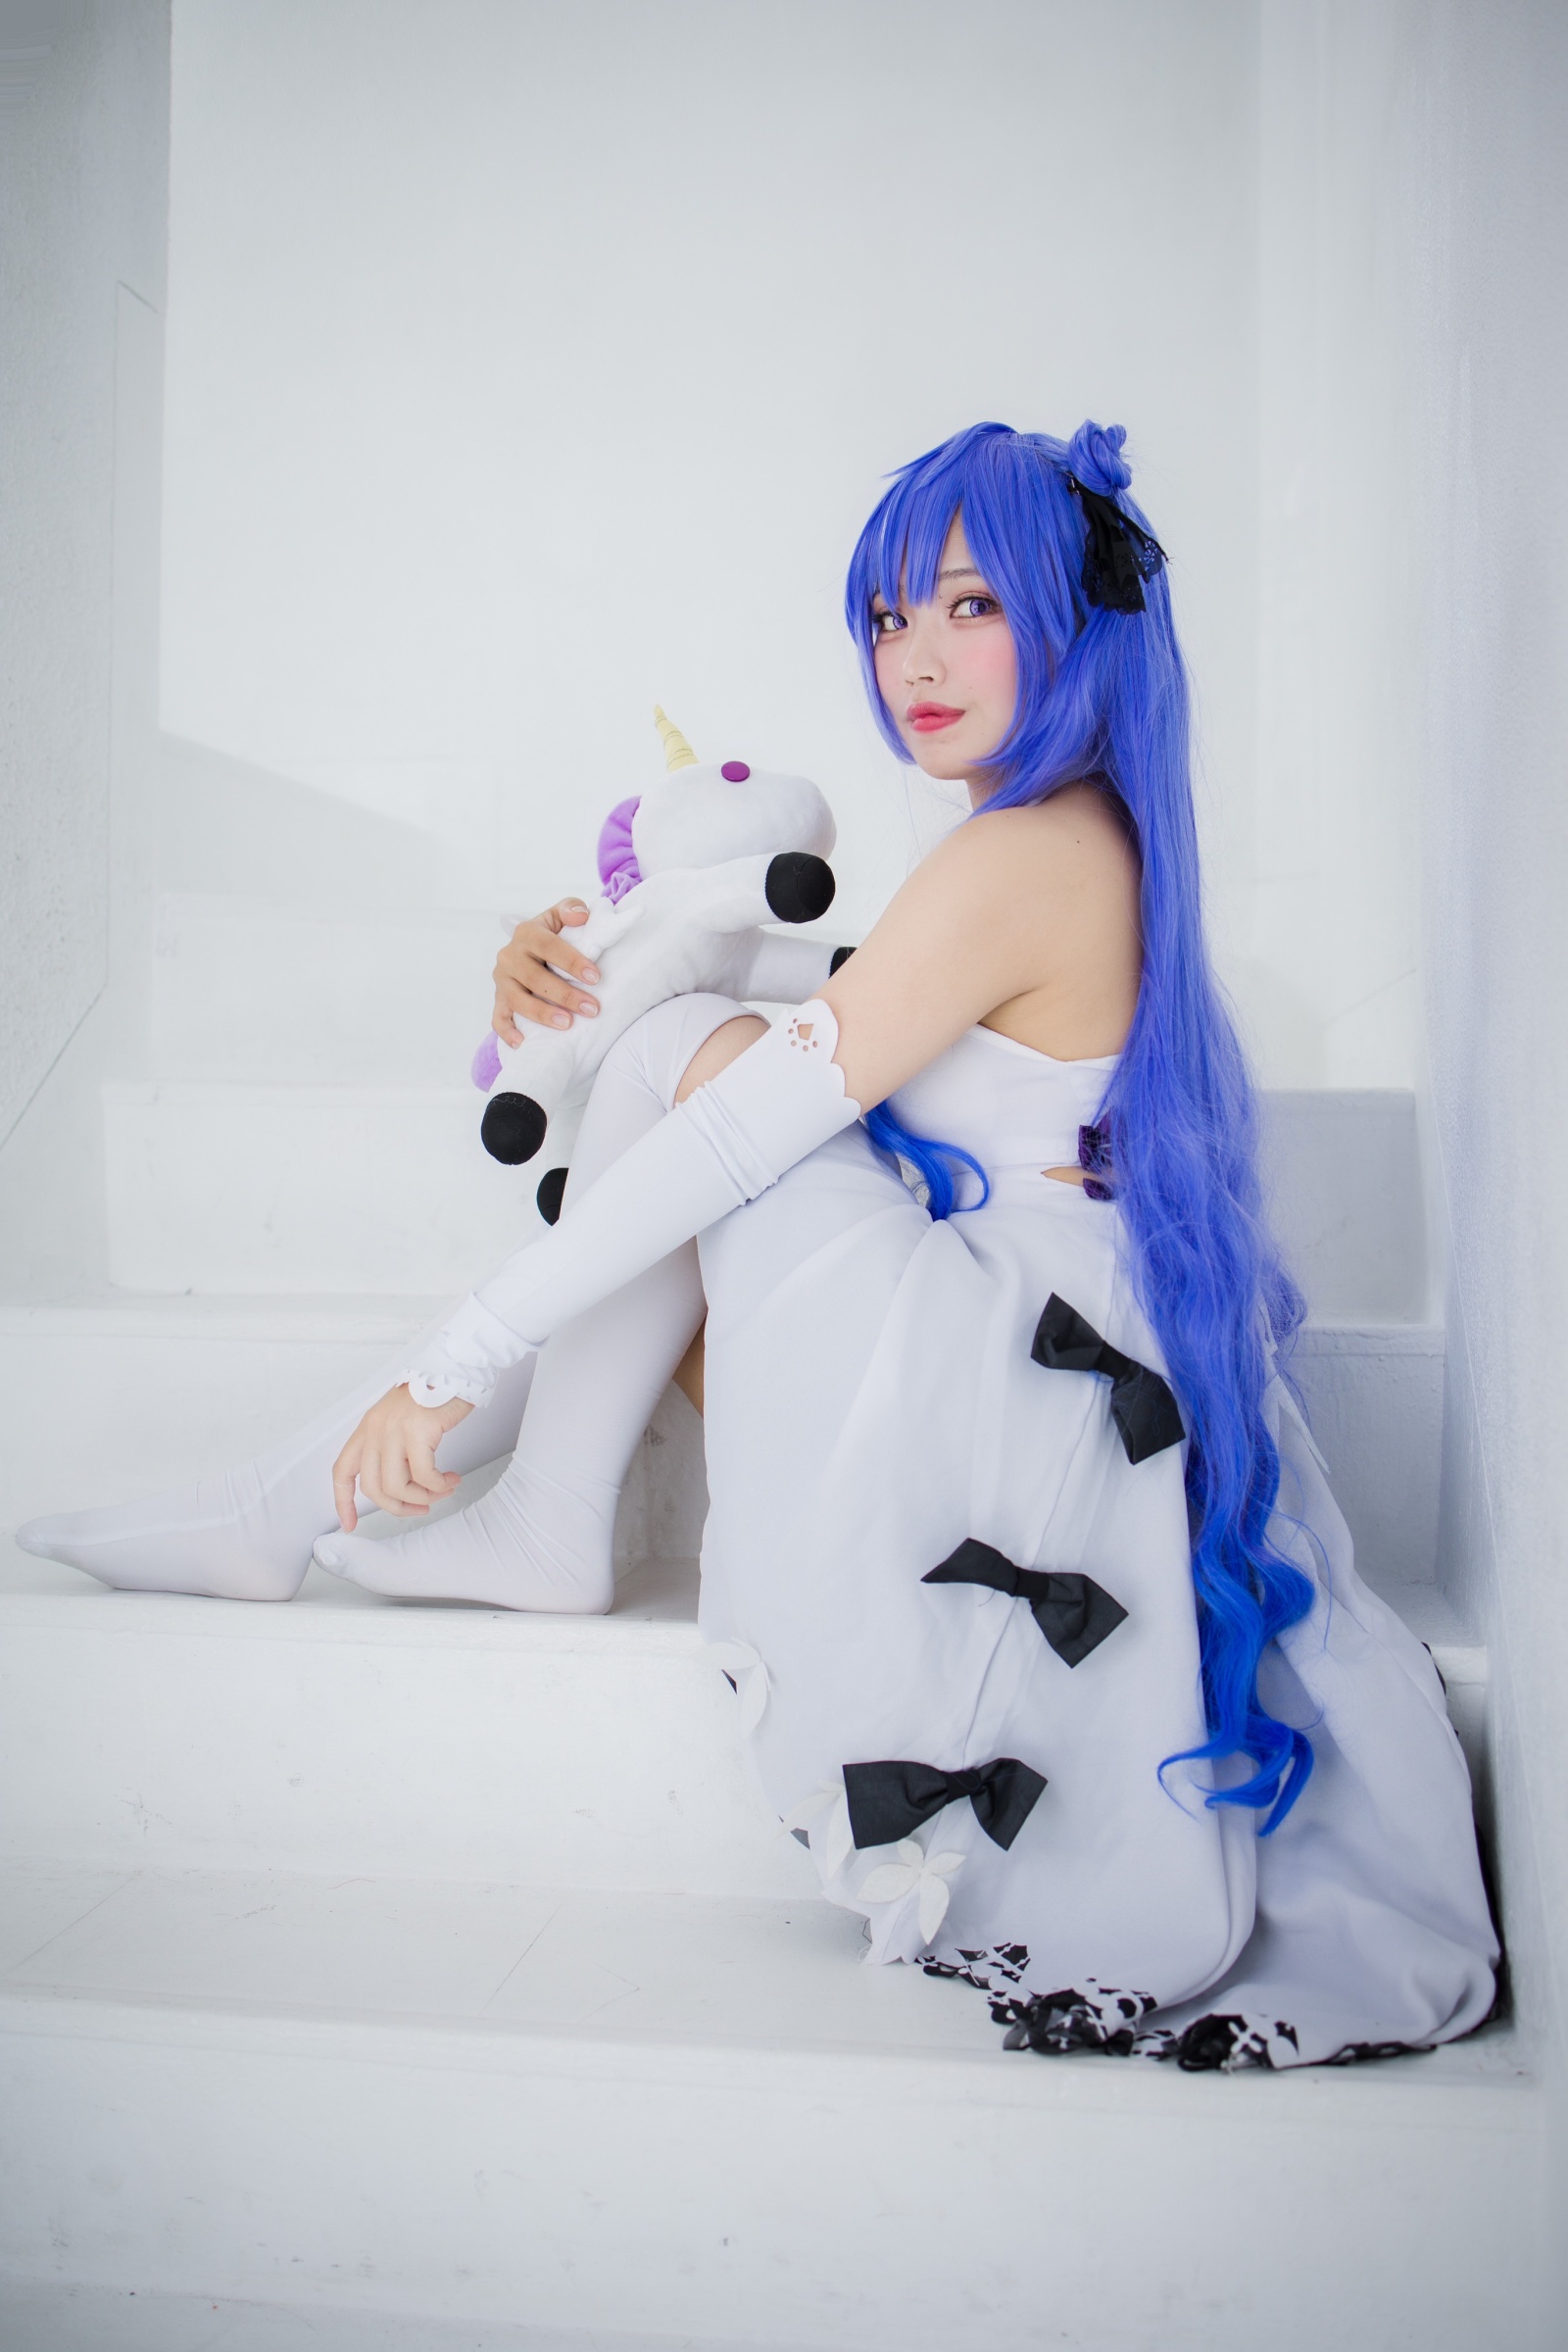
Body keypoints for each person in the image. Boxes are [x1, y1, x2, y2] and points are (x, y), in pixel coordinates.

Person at [21, 420, 1497, 2068]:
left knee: (692, 1071)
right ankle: (449, 1512)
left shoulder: (1030, 851)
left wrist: (458, 1359)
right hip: (1032, 1391)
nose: (915, 658)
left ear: (1077, 623)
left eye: (970, 606)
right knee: (685, 1044)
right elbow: (826, 1006)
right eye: (889, 617)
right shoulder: (1068, 841)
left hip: (1010, 1411)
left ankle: (389, 1509)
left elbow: (743, 1113)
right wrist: (558, 967)